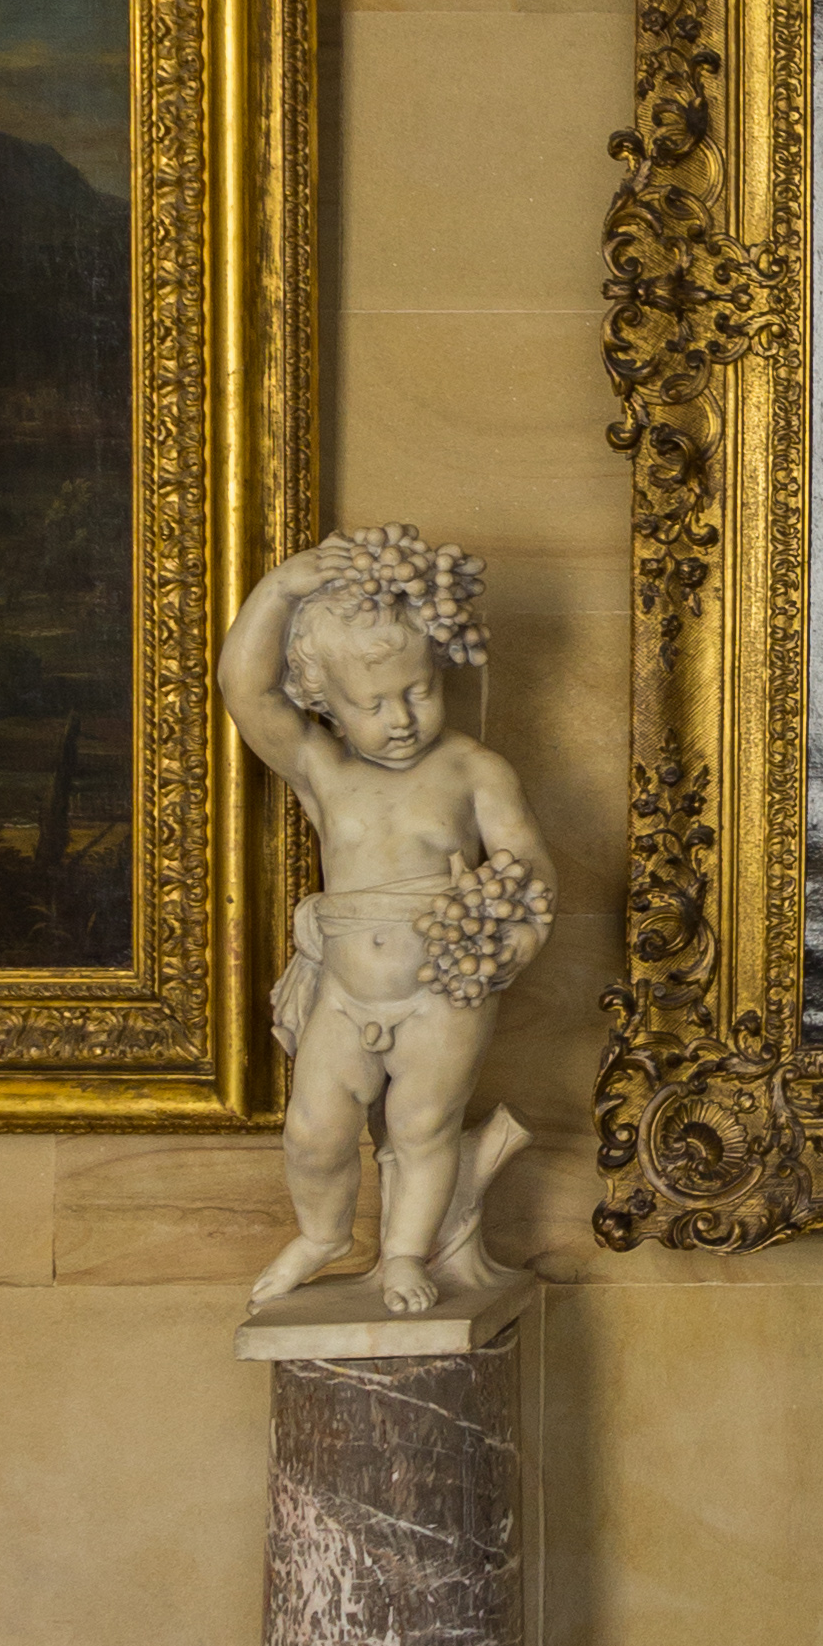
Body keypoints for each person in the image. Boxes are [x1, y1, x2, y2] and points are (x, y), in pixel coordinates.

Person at [217, 528, 554, 1313]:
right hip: (344, 991)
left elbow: (529, 870)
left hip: (443, 985)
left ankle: (404, 1253)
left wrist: (515, 940)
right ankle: (326, 1234)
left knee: (423, 1123)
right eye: (372, 703)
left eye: (418, 691)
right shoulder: (323, 768)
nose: (401, 718)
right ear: (325, 704)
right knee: (313, 1130)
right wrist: (281, 589)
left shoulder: (474, 769)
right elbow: (245, 689)